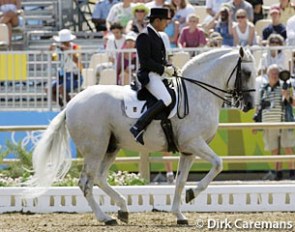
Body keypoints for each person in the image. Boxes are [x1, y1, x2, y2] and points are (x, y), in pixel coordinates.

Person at [130, 8, 175, 145]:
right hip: (149, 75)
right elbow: (146, 61)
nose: (166, 24)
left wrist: (170, 67)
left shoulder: (158, 35)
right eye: (165, 21)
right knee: (166, 99)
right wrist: (163, 69)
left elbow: (161, 57)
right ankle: (138, 126)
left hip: (158, 74)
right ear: (157, 21)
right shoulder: (144, 36)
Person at [255, 64, 295, 180]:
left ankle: (293, 173)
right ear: (267, 75)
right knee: (274, 150)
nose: (274, 76)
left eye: (277, 73)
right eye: (272, 73)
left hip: (284, 122)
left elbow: (293, 103)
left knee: (288, 148)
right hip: (269, 123)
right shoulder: (263, 88)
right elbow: (259, 107)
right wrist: (256, 124)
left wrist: (288, 97)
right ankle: (278, 173)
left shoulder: (286, 86)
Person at [47, 29, 83, 108]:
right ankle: (62, 106)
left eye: (65, 42)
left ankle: (72, 107)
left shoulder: (75, 47)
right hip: (62, 76)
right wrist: (50, 51)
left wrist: (69, 51)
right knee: (48, 88)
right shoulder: (59, 49)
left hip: (75, 76)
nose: (63, 44)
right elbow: (54, 58)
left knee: (61, 88)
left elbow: (77, 61)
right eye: (62, 42)